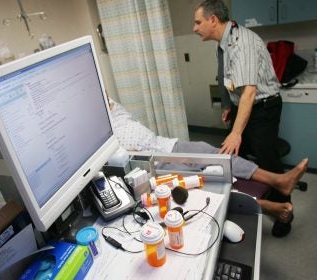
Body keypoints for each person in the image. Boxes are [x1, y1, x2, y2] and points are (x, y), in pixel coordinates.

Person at [109, 98, 308, 236]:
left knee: (213, 152)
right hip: (146, 163)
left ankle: (279, 180)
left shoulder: (113, 107)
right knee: (200, 184)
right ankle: (265, 207)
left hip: (165, 145)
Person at [193, 0, 292, 236]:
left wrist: (236, 133)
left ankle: (284, 213)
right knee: (231, 157)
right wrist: (227, 104)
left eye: (198, 22)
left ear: (213, 20)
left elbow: (249, 91)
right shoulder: (223, 44)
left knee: (267, 161)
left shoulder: (243, 42)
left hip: (263, 108)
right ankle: (242, 203)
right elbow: (224, 77)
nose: (195, 28)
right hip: (243, 106)